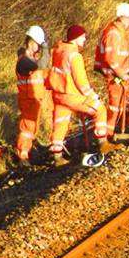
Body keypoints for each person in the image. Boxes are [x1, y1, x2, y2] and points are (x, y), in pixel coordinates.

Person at [48, 24, 112, 166]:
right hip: (71, 95)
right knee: (100, 110)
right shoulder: (74, 56)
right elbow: (81, 81)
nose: (84, 39)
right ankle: (103, 143)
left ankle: (57, 156)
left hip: (57, 94)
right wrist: (93, 97)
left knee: (61, 123)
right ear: (76, 38)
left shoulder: (57, 50)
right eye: (83, 37)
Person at [95, 2, 129, 140]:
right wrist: (121, 75)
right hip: (115, 76)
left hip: (121, 75)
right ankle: (107, 137)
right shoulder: (113, 34)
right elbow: (111, 59)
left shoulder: (119, 31)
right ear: (123, 17)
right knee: (115, 108)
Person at [15, 24, 49, 166]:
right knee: (27, 128)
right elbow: (41, 65)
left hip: (35, 99)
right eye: (37, 44)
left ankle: (27, 151)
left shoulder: (31, 58)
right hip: (28, 99)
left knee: (32, 127)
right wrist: (47, 49)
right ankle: (22, 155)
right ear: (30, 41)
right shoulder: (23, 60)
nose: (38, 47)